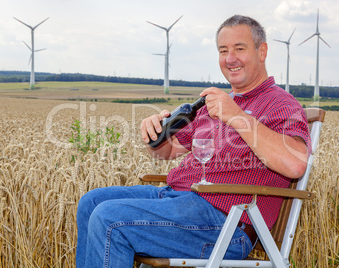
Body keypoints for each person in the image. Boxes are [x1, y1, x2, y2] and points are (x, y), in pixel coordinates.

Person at [76, 14, 311, 268]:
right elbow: (166, 152)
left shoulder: (281, 104)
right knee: (91, 203)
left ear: (262, 51)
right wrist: (155, 134)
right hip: (177, 200)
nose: (230, 58)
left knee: (109, 218)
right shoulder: (212, 104)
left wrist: (237, 117)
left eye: (239, 49)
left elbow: (296, 164)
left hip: (225, 223)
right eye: (223, 50)